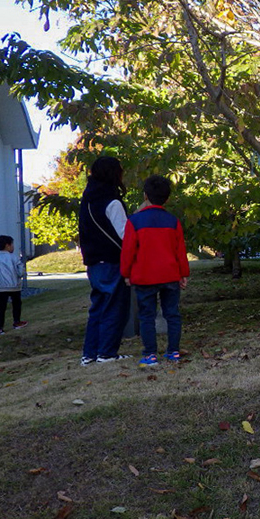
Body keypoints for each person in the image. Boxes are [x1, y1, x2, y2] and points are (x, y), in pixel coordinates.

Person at [120, 175, 190, 367]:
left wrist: (126, 273)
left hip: (144, 276)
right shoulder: (173, 221)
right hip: (169, 274)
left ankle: (150, 354)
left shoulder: (134, 221)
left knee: (146, 316)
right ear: (167, 198)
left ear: (145, 196)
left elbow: (128, 251)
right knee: (172, 313)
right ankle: (173, 351)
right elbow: (180, 251)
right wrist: (183, 273)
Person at [78, 155, 131, 365]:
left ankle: (89, 354)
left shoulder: (88, 198)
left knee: (98, 308)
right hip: (112, 261)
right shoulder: (112, 201)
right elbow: (125, 234)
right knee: (115, 307)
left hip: (93, 262)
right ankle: (107, 353)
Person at [0, 235, 26, 334]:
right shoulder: (14, 258)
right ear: (8, 245)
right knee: (16, 304)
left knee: (0, 307)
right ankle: (16, 322)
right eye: (12, 244)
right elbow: (20, 271)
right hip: (14, 286)